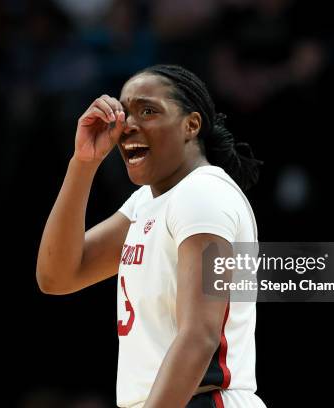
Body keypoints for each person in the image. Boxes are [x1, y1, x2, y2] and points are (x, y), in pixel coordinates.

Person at [36, 64, 266, 408]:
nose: (128, 125)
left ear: (191, 125)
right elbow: (58, 276)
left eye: (148, 111)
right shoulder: (149, 200)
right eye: (124, 113)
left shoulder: (202, 193)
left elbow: (199, 335)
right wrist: (83, 162)